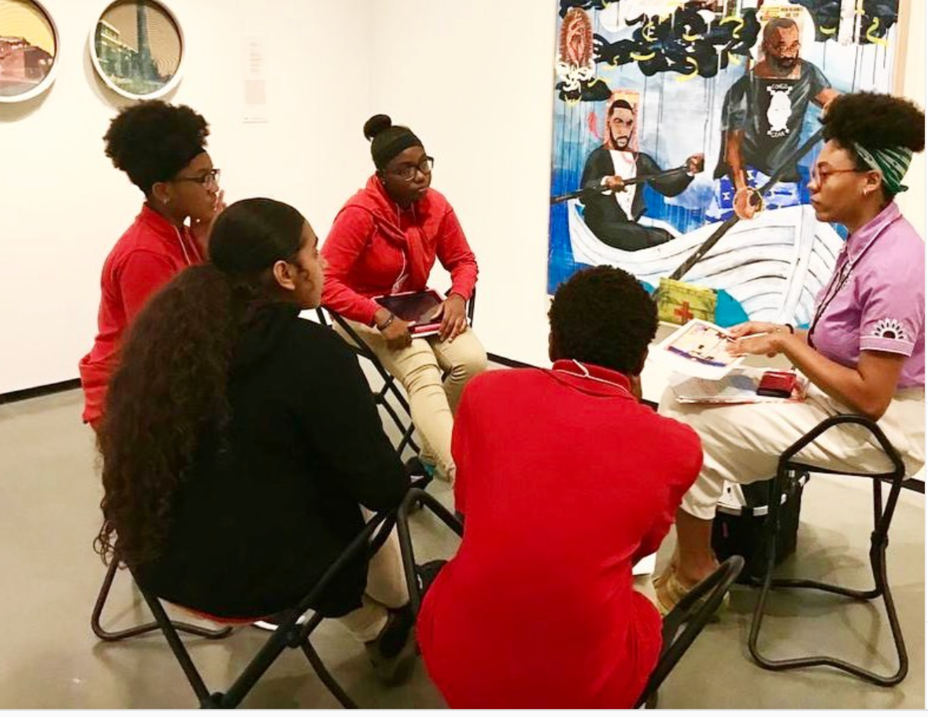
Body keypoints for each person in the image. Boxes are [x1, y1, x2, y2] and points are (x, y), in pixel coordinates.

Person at [95, 198, 418, 680]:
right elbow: (382, 487)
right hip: (268, 582)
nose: (324, 262)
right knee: (384, 495)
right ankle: (398, 613)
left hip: (166, 568)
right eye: (314, 251)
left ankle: (379, 622)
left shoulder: (168, 344)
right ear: (285, 273)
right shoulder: (313, 354)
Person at [654, 91, 925, 611]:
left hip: (875, 429)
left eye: (825, 173)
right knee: (681, 396)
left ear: (870, 180)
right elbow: (840, 343)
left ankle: (695, 573)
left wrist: (784, 344)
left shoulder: (894, 264)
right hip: (837, 405)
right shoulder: (863, 240)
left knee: (688, 428)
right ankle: (699, 556)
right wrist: (782, 333)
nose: (812, 183)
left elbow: (872, 398)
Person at [416, 266, 703, 708]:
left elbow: (468, 506)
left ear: (552, 342)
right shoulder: (677, 447)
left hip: (456, 658)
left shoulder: (485, 394)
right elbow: (641, 551)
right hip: (583, 690)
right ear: (642, 361)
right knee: (638, 590)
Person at [321, 115, 488, 485]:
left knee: (474, 362)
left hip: (417, 308)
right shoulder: (360, 213)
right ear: (382, 176)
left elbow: (463, 260)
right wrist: (378, 315)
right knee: (423, 369)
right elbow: (325, 282)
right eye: (406, 169)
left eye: (424, 164)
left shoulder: (436, 206)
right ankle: (463, 475)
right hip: (365, 313)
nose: (420, 176)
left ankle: (429, 455)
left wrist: (458, 296)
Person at [79, 102, 224, 427]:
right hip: (131, 399)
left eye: (213, 175)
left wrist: (210, 245)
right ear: (163, 191)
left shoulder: (185, 233)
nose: (213, 188)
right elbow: (164, 346)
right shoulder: (144, 254)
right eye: (203, 179)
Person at [710, 17, 839, 221]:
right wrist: (742, 190)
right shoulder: (743, 89)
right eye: (780, 46)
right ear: (766, 46)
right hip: (746, 179)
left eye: (794, 45)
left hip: (784, 181)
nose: (788, 53)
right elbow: (732, 148)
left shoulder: (808, 74)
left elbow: (835, 103)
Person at [580, 97, 704, 250]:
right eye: (618, 122)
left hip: (628, 226)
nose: (623, 130)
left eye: (629, 123)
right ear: (608, 123)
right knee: (643, 236)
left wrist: (689, 171)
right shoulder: (598, 156)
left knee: (665, 236)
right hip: (602, 226)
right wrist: (605, 182)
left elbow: (667, 186)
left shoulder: (641, 160)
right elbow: (584, 194)